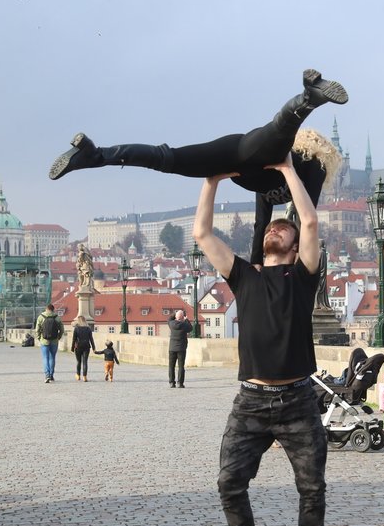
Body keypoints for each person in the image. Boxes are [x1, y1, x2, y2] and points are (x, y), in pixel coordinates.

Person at [194, 153, 346, 526]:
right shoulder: (243, 276)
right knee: (228, 482)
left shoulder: (303, 278)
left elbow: (312, 222)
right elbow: (202, 232)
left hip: (298, 400)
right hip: (252, 401)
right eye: (272, 227)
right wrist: (212, 179)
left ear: (297, 247)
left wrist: (286, 171)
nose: (275, 228)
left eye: (285, 228)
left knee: (312, 487)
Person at [49, 69, 345, 266]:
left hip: (236, 165)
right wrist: (289, 168)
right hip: (245, 151)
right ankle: (309, 97)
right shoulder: (308, 164)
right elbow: (309, 220)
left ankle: (94, 156)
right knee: (277, 134)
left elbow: (260, 222)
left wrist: (256, 263)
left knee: (168, 161)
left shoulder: (272, 188)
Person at [35, 303, 64, 383]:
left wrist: (39, 338)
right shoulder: (57, 317)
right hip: (54, 340)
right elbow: (62, 329)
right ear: (53, 309)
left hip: (44, 340)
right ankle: (51, 375)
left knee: (45, 358)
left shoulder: (41, 317)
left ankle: (47, 375)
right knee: (52, 358)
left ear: (46, 309)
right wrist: (59, 337)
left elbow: (37, 330)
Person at [167, 309, 192, 388]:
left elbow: (169, 319)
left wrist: (175, 313)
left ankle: (171, 382)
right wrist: (186, 319)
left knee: (171, 366)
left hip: (172, 348)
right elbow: (190, 328)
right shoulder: (184, 325)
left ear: (176, 317)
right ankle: (180, 383)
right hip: (181, 348)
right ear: (182, 317)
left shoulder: (171, 324)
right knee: (181, 366)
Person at [71, 315, 97, 381]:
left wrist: (72, 348)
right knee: (85, 362)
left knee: (78, 361)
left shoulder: (76, 328)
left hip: (78, 347)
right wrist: (94, 348)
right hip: (86, 346)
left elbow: (74, 339)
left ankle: (78, 375)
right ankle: (85, 377)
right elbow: (91, 339)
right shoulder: (88, 328)